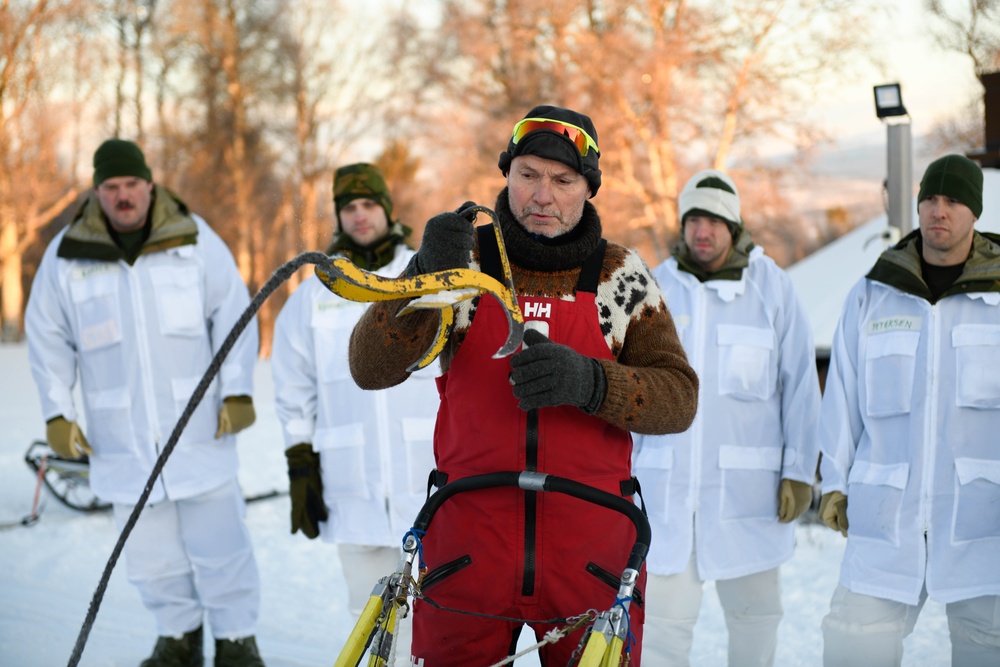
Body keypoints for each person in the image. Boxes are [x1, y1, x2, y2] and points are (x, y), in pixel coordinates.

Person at [348, 105, 699, 666]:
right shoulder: (466, 267)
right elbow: (370, 368)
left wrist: (590, 382)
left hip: (590, 560)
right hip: (467, 552)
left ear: (588, 189)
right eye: (528, 175)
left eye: (563, 181)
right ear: (506, 175)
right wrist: (421, 271)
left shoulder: (620, 275)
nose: (543, 196)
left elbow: (679, 398)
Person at [24, 139, 264, 667]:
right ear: (97, 192)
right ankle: (176, 638)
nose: (123, 196)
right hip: (121, 441)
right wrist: (58, 412)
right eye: (111, 187)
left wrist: (238, 388)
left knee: (221, 547)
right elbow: (46, 337)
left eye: (132, 185)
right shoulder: (69, 256)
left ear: (150, 186)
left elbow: (234, 315)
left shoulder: (195, 240)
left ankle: (236, 641)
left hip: (199, 429)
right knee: (151, 558)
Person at [631, 169, 821, 666]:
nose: (702, 231)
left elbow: (800, 384)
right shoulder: (655, 288)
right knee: (661, 634)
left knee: (755, 623)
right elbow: (631, 391)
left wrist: (800, 472)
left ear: (734, 227)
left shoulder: (772, 288)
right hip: (666, 499)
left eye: (714, 220)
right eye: (694, 218)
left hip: (750, 499)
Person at [817, 154, 1000, 666]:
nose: (939, 211)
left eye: (953, 200)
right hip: (885, 519)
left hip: (983, 525)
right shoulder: (874, 294)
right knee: (854, 643)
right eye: (930, 199)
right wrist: (834, 480)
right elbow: (843, 398)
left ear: (975, 213)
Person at [271, 163, 438, 665]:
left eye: (369, 205)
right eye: (349, 207)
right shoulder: (317, 292)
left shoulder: (428, 277)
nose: (360, 216)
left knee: (435, 619)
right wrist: (301, 461)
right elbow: (293, 386)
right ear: (340, 217)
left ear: (387, 210)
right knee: (367, 617)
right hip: (352, 486)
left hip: (429, 482)